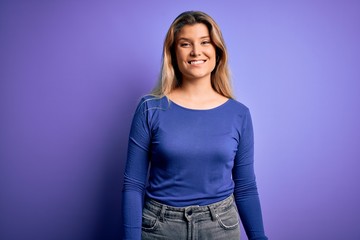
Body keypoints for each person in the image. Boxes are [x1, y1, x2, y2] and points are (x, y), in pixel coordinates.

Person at [122, 11, 268, 240]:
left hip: (220, 228)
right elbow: (133, 184)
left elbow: (246, 187)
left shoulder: (239, 114)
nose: (196, 52)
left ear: (217, 51)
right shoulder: (150, 108)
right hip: (160, 228)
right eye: (185, 44)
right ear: (173, 52)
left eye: (204, 42)